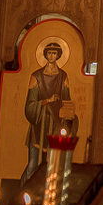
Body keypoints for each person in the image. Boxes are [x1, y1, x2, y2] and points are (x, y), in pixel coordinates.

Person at [23, 40, 77, 179]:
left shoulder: (63, 76)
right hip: (39, 125)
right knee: (32, 164)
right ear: (45, 55)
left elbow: (66, 100)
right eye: (49, 53)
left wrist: (69, 114)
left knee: (53, 167)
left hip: (56, 125)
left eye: (54, 53)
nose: (52, 55)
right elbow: (30, 105)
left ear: (58, 55)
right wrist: (47, 101)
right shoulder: (36, 76)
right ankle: (24, 189)